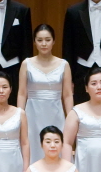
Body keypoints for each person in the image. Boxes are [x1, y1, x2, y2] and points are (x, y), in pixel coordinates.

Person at [18, 23, 73, 163]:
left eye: (47, 40)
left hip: (55, 112)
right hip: (32, 113)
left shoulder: (64, 64)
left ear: (54, 41)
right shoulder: (26, 63)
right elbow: (22, 93)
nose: (44, 44)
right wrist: (19, 117)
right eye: (40, 40)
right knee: (33, 146)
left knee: (55, 144)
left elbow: (67, 95)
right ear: (34, 42)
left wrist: (71, 118)